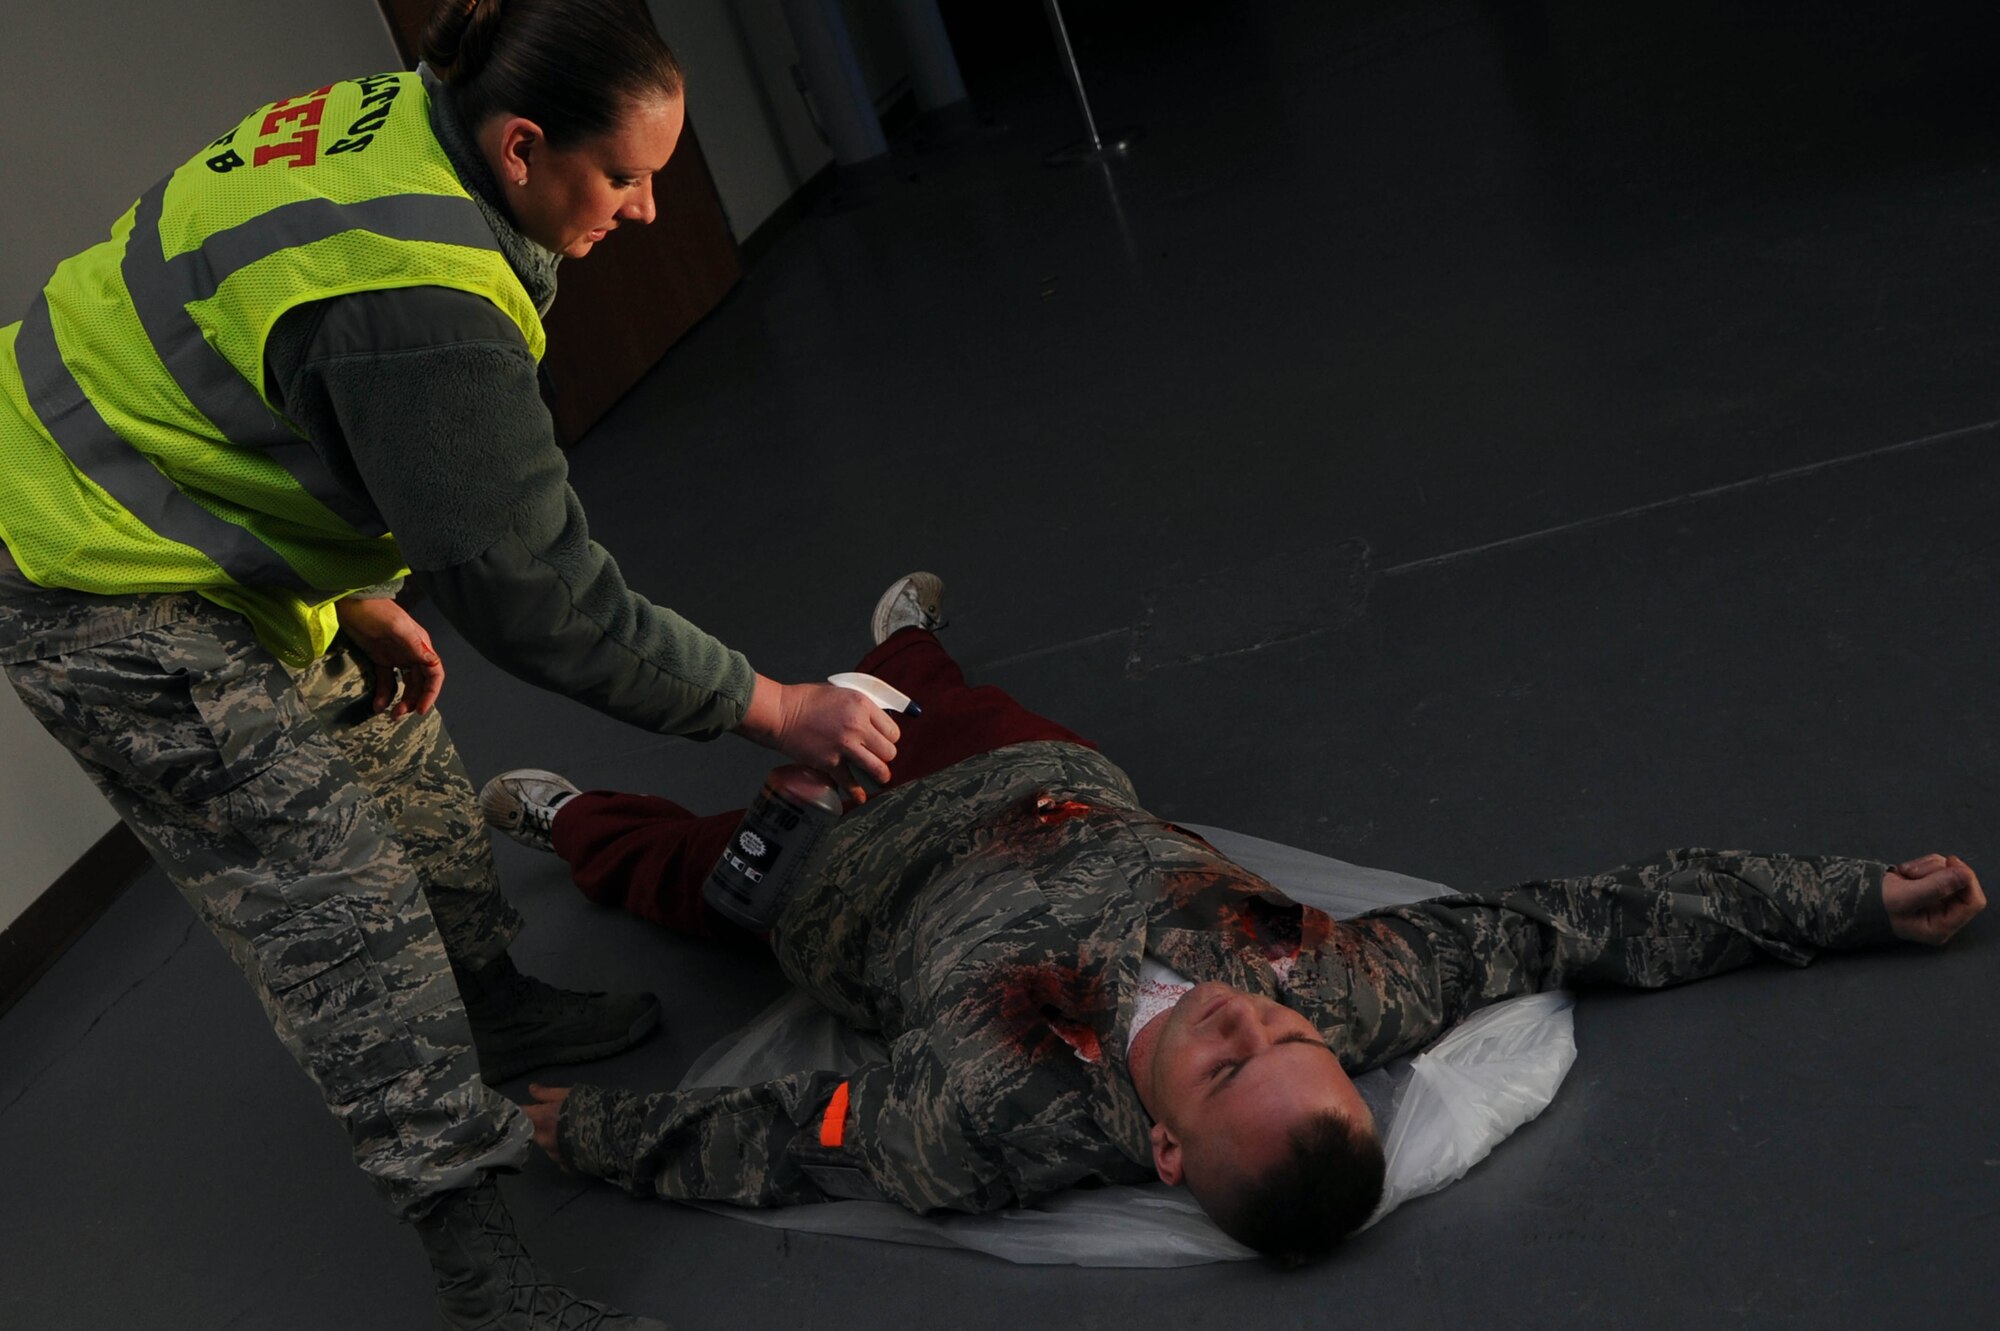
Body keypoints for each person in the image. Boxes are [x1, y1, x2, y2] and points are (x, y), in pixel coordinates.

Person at [0, 3, 898, 1327]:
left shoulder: (421, 126)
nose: (647, 209)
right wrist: (769, 707)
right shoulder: (416, 290)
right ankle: (479, 1268)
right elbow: (540, 600)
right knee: (337, 906)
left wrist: (350, 587)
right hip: (87, 568)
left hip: (160, 492)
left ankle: (491, 1006)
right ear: (523, 147)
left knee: (399, 743)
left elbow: (251, 360)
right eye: (624, 177)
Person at [480, 573, 1988, 1263]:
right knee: (941, 691)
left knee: (675, 873)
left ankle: (568, 819)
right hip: (1038, 776)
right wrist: (1850, 899)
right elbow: (1582, 923)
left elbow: (790, 1139)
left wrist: (582, 1131)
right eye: (1280, 1035)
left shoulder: (992, 1119)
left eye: (1221, 1062)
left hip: (848, 868)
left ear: (1165, 1150)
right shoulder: (1342, 989)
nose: (1240, 1019)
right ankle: (912, 645)